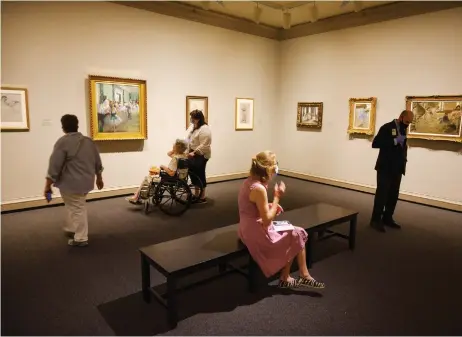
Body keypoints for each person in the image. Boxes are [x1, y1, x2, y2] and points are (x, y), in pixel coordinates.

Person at [237, 150, 325, 289]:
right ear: (269, 170)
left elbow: (251, 207)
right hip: (255, 232)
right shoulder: (259, 189)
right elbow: (266, 220)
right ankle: (298, 276)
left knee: (294, 231)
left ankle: (292, 276)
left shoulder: (249, 182)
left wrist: (268, 206)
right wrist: (277, 197)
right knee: (296, 233)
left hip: (246, 227)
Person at [44, 114, 104, 247]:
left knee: (77, 208)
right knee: (75, 205)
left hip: (71, 183)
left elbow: (54, 164)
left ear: (63, 127)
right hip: (87, 181)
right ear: (77, 125)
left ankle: (81, 238)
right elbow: (97, 161)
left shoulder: (63, 142)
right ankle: (72, 228)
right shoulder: (88, 141)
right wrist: (99, 178)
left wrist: (48, 185)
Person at [370, 109, 414, 232]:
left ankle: (387, 218)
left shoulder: (403, 129)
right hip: (385, 167)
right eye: (406, 122)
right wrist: (394, 141)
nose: (407, 125)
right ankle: (375, 220)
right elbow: (375, 143)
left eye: (410, 123)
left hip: (397, 168)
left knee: (393, 195)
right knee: (382, 195)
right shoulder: (387, 127)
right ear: (401, 117)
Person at [126, 139, 188, 205]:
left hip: (171, 178)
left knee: (147, 178)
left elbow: (171, 173)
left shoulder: (175, 158)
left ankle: (137, 196)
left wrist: (163, 166)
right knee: (150, 176)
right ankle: (137, 195)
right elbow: (169, 154)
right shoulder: (183, 156)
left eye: (174, 145)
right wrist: (174, 150)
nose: (173, 146)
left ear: (177, 147)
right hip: (181, 177)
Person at [185, 109, 212, 203]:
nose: (191, 119)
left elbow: (205, 144)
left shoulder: (205, 129)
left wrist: (194, 152)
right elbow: (189, 139)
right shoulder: (194, 127)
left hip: (201, 155)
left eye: (193, 118)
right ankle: (196, 195)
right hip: (193, 154)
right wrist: (185, 148)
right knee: (193, 174)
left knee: (200, 174)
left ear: (198, 119)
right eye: (191, 117)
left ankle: (202, 196)